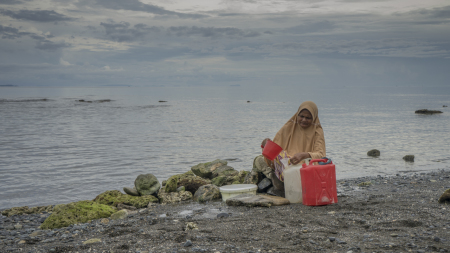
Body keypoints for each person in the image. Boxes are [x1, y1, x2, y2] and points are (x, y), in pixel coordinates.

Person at [261, 101, 326, 194]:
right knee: (260, 159)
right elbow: (276, 146)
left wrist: (304, 155)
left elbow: (321, 155)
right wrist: (266, 143)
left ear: (314, 118)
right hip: (287, 161)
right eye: (301, 116)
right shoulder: (290, 126)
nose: (304, 120)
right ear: (297, 115)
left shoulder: (317, 131)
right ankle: (279, 178)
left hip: (305, 166)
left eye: (308, 118)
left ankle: (279, 180)